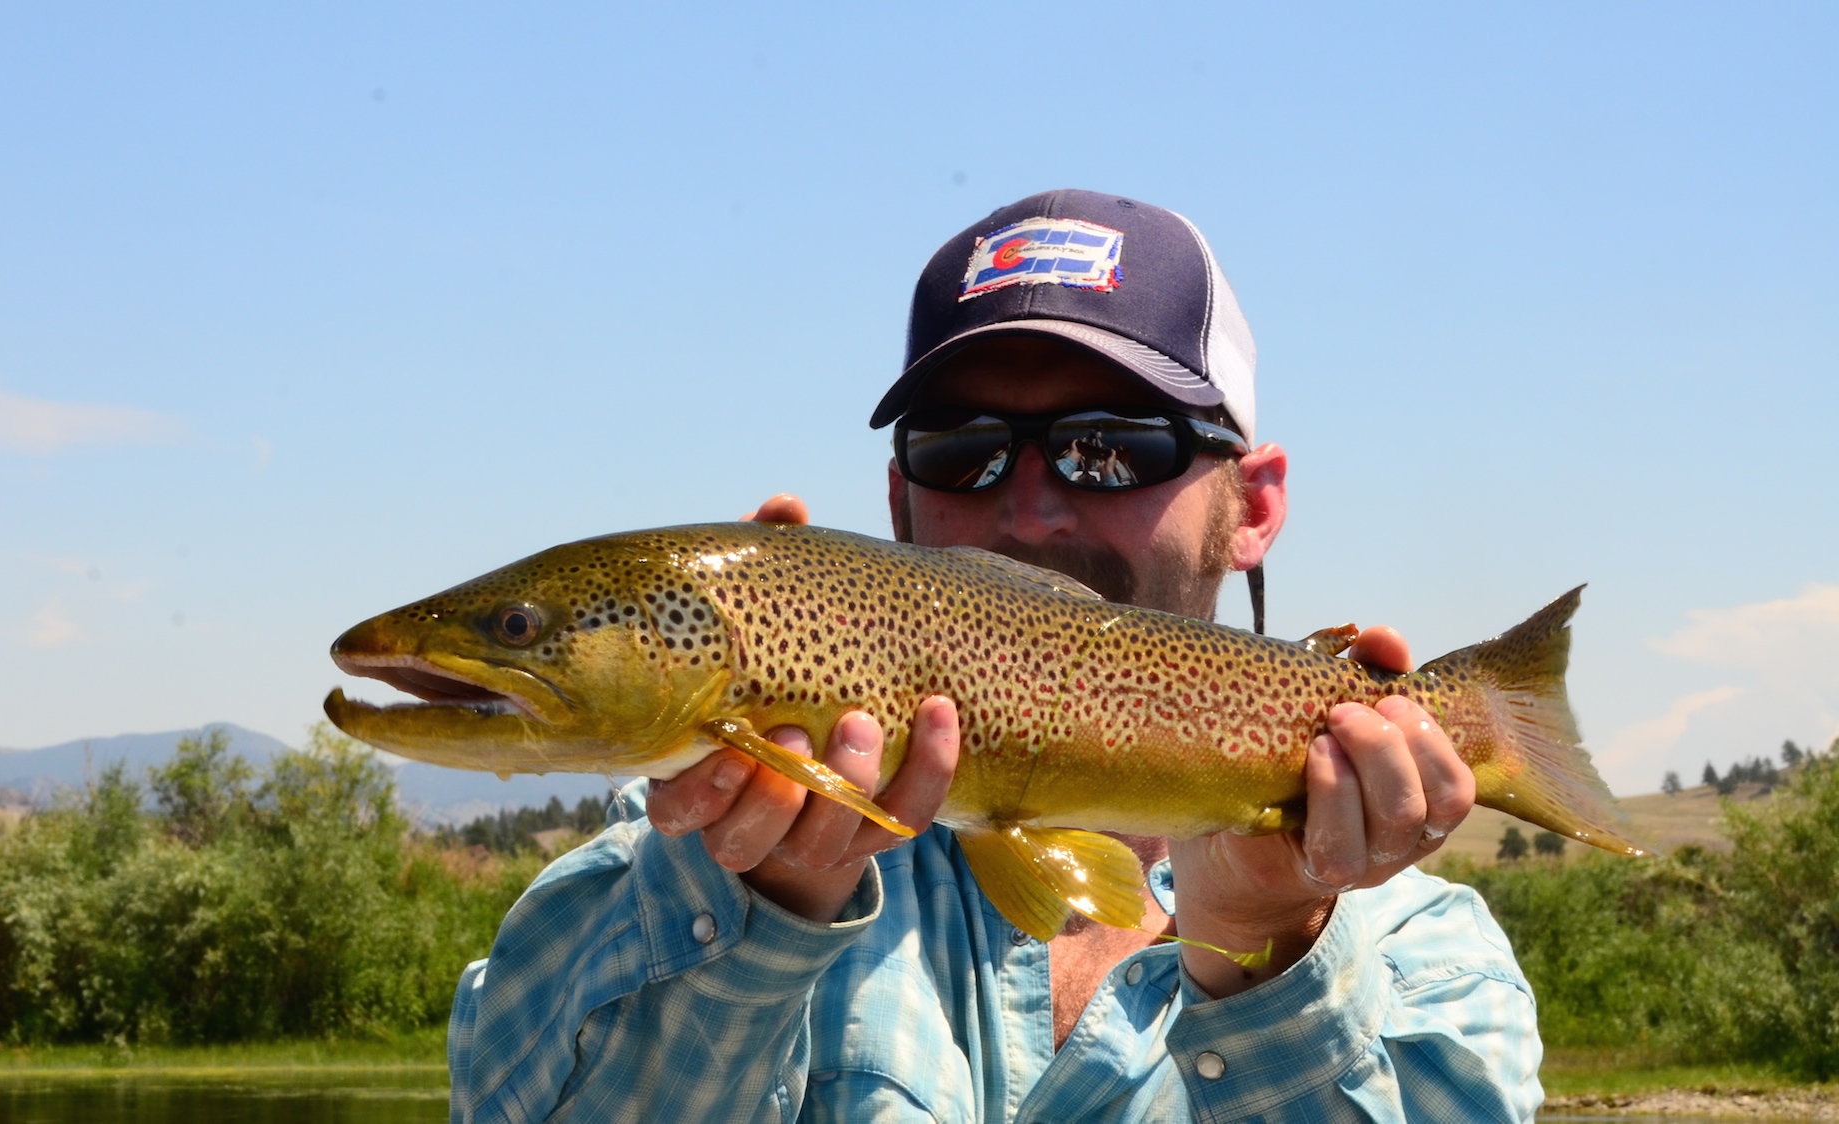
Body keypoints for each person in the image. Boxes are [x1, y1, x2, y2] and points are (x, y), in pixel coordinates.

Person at [447, 190, 1542, 1122]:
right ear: (895, 502)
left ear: (1252, 504)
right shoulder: (675, 867)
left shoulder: (1427, 967)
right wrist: (761, 906)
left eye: (1109, 446)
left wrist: (1264, 941)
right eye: (961, 451)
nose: (1031, 505)